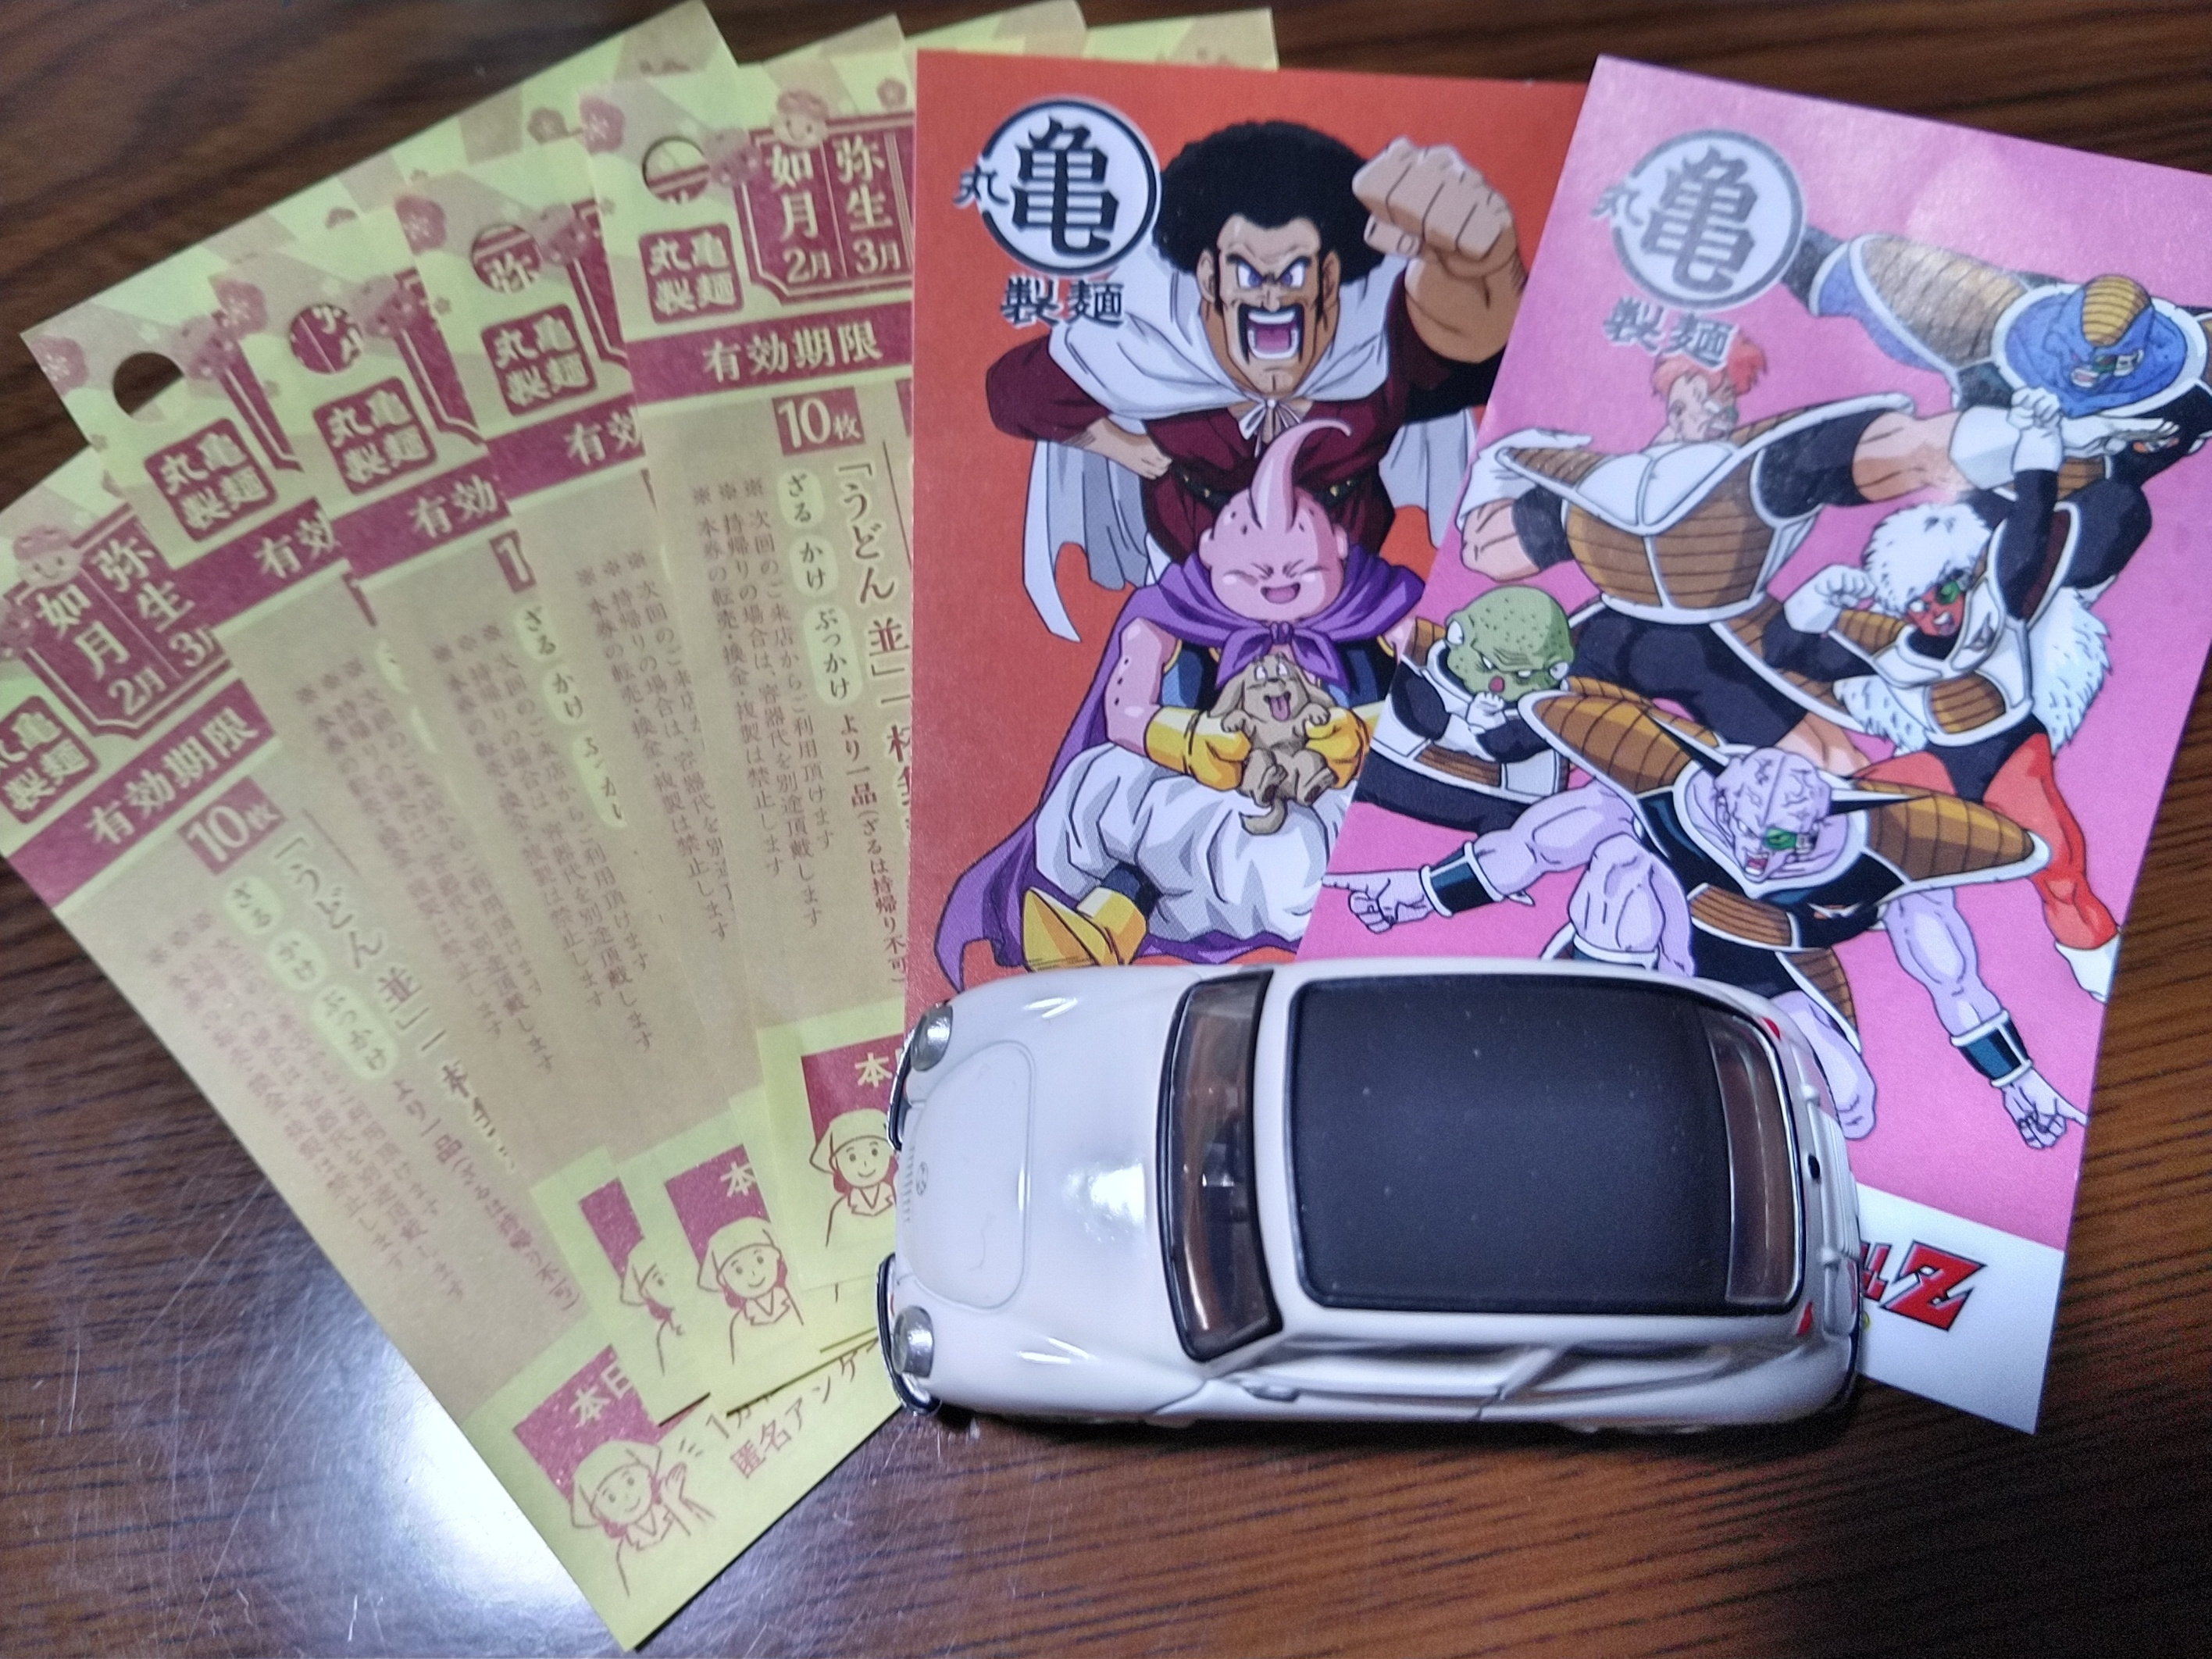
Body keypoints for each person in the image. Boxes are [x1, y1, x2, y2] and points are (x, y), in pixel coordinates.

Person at [1327, 688, 2082, 1149]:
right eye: (1738, 835)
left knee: (1847, 1106)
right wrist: (1419, 894)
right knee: (1623, 862)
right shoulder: (1657, 794)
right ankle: (1585, 1042)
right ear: (1717, 797)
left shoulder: (1886, 860)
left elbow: (1953, 979)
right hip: (1632, 953)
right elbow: (1530, 848)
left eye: (1778, 849)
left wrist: (2018, 1082)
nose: (1752, 863)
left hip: (1771, 987)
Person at [987, 120, 1521, 636]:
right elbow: (1014, 394)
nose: (1271, 293)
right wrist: (1118, 445)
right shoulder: (1155, 344)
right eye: (1247, 270)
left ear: (1328, 278)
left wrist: (1486, 273)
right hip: (1193, 585)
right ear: (1209, 278)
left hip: (1346, 585)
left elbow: (1483, 354)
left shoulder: (1372, 346)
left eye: (1293, 272)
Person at [937, 419, 1419, 979]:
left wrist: (1360, 734)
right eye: (1255, 574)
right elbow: (1124, 714)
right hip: (1207, 794)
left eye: (1301, 572)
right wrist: (1189, 743)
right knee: (1120, 797)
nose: (1277, 588)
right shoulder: (1168, 613)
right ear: (1210, 552)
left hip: (1325, 806)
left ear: (1337, 545)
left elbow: (1438, 693)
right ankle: (1103, 931)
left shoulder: (1386, 601)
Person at [1763, 388, 2141, 998]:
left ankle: (2091, 954)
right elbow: (1787, 652)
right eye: (1917, 603)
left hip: (2014, 756)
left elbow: (2030, 523)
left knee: (2055, 856)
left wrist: (2036, 446)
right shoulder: (1893, 646)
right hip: (1944, 761)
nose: (1935, 612)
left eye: (1944, 592)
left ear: (1965, 576)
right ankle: (1818, 897)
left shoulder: (1998, 600)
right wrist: (1817, 599)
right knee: (1842, 809)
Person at [569, 1438, 712, 1595]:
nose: (626, 1496)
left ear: (647, 1474)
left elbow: (713, 1533)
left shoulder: (675, 1506)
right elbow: (642, 1595)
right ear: (600, 1514)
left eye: (630, 1481)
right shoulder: (626, 1555)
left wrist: (674, 1502)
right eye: (611, 1498)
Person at [696, 1216, 800, 1358]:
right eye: (738, 1270)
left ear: (776, 1256)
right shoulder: (739, 1324)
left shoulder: (796, 1297)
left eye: (760, 1260)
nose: (753, 1273)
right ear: (724, 1280)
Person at [811, 1108, 895, 1246]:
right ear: (836, 1163)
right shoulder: (841, 1211)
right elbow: (833, 1250)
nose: (865, 1163)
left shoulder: (899, 1196)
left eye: (874, 1152)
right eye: (852, 1157)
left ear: (890, 1151)